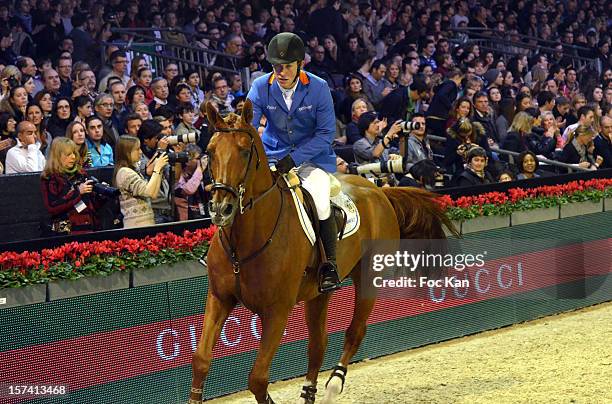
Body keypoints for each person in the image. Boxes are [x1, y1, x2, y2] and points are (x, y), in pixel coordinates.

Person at [247, 32, 340, 293]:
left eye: (287, 66)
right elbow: (248, 127)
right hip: (273, 157)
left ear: (300, 64)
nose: (281, 71)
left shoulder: (318, 87)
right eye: (276, 66)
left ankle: (329, 265)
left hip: (312, 159)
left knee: (321, 197)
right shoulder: (259, 87)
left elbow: (326, 134)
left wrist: (295, 158)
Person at [40, 137, 101, 235]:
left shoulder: (80, 173)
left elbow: (91, 203)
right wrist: (77, 192)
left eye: (74, 153)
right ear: (57, 156)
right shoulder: (49, 178)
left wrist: (100, 195)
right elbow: (52, 207)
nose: (73, 157)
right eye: (68, 154)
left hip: (89, 228)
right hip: (67, 232)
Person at [113, 135, 169, 228]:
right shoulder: (124, 172)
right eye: (137, 149)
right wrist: (157, 169)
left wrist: (159, 169)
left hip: (146, 225)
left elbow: (153, 194)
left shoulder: (133, 170)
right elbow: (149, 192)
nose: (141, 152)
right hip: (136, 228)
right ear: (127, 152)